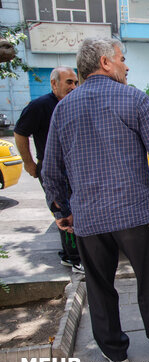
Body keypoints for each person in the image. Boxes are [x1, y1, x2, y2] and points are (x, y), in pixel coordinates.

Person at [41, 38, 149, 362]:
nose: (126, 66)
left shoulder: (63, 108)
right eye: (122, 59)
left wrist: (60, 209)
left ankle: (112, 349)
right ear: (106, 63)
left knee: (99, 286)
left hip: (88, 219)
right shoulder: (134, 99)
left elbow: (49, 168)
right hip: (134, 214)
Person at [13, 66, 84, 274]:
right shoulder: (40, 106)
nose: (73, 86)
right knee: (64, 212)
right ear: (54, 84)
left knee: (73, 211)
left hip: (71, 169)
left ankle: (69, 254)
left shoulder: (73, 103)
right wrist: (29, 163)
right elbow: (19, 133)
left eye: (75, 82)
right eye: (68, 82)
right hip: (53, 171)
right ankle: (75, 259)